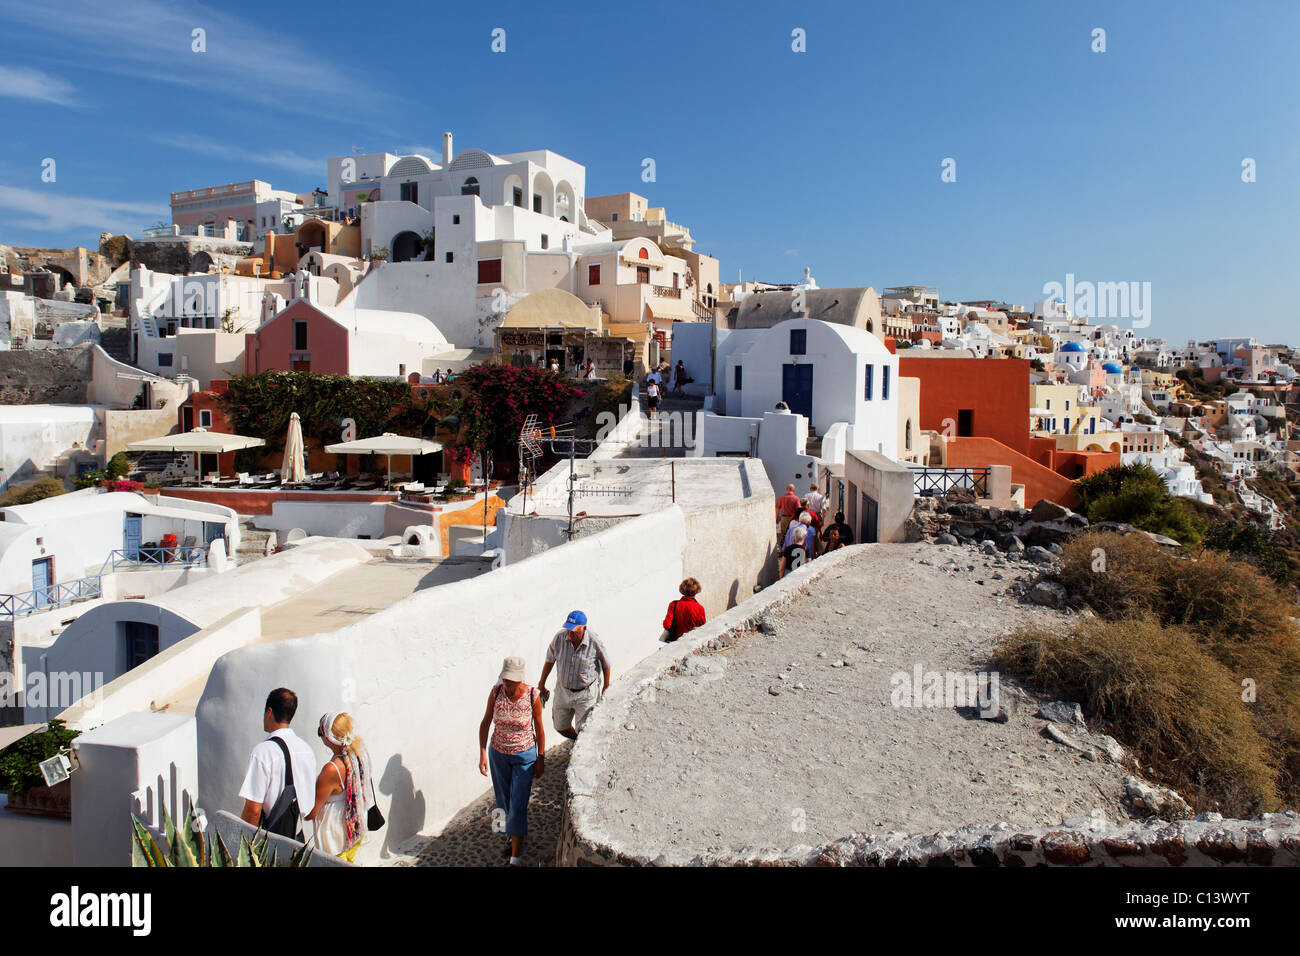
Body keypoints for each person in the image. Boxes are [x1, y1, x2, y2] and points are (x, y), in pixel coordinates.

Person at [478, 657, 544, 866]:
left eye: (511, 681)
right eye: (505, 679)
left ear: (519, 680)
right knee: (503, 799)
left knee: (518, 802)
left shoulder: (533, 696)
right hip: (498, 754)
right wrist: (482, 753)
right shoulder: (496, 693)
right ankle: (509, 834)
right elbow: (486, 722)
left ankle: (515, 857)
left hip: (524, 756)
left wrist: (541, 758)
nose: (507, 683)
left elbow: (540, 731)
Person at [239, 688, 318, 840]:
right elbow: (309, 807)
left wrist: (243, 844)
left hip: (271, 842)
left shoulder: (263, 752)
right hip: (298, 840)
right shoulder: (307, 750)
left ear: (269, 712)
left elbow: (253, 811)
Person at [305, 712, 374, 862]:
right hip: (353, 831)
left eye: (320, 733)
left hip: (335, 838)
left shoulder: (331, 770)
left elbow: (311, 811)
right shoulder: (358, 754)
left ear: (328, 738)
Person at [538, 611, 611, 739]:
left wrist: (606, 685)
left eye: (574, 631)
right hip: (563, 690)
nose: (570, 634)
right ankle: (577, 741)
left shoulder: (594, 641)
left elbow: (606, 663)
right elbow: (550, 660)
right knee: (560, 726)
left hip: (586, 693)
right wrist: (542, 683)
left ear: (584, 628)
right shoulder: (559, 638)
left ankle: (580, 743)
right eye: (568, 630)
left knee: (584, 729)